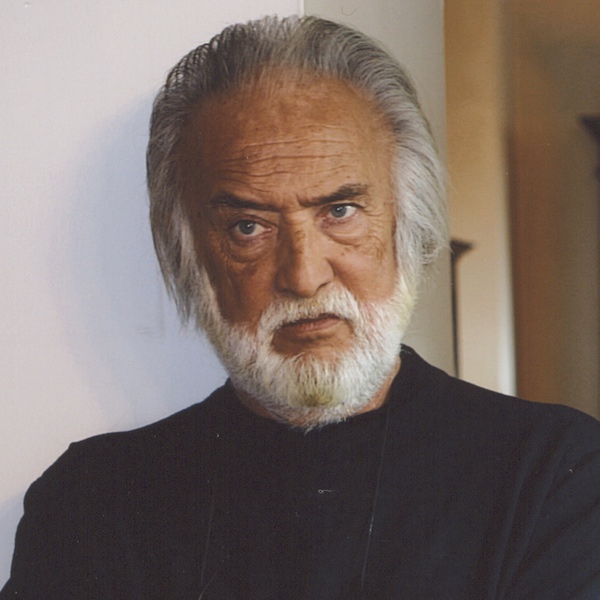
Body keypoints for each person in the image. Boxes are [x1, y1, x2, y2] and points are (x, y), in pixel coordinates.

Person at [2, 15, 600, 600]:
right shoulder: (93, 502)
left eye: (340, 212)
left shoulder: (553, 473)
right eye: (248, 226)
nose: (304, 276)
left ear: (407, 224)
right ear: (189, 252)